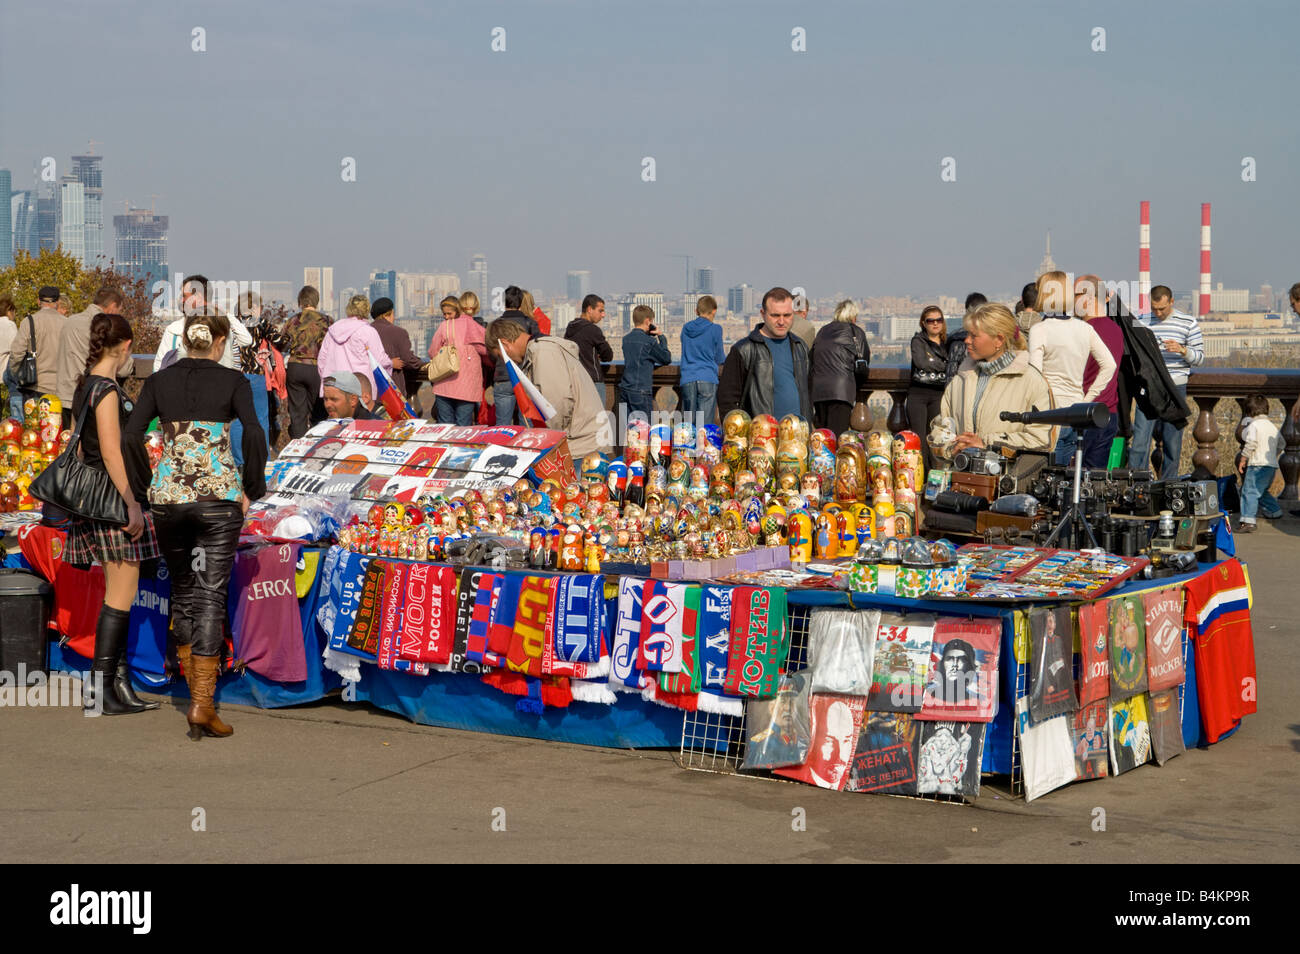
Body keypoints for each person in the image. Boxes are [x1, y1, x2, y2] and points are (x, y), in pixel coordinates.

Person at [124, 311, 267, 740]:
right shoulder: (233, 382)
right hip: (218, 498)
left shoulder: (158, 381)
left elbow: (132, 435)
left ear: (185, 340)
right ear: (219, 342)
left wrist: (146, 485)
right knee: (210, 595)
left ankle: (195, 697)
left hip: (169, 499)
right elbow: (257, 434)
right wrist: (253, 487)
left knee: (183, 590)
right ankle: (202, 704)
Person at [65, 313, 161, 716]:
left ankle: (117, 685)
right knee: (121, 597)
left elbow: (79, 444)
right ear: (124, 347)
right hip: (113, 500)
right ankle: (101, 689)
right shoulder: (105, 389)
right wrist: (131, 502)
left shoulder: (84, 384)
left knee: (115, 596)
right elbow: (108, 450)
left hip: (96, 501)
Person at [935, 302, 1055, 478]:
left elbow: (1043, 439)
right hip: (961, 484)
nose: (966, 340)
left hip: (1008, 487)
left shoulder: (1031, 381)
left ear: (998, 340)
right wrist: (953, 448)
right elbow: (940, 427)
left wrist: (987, 443)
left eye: (974, 335)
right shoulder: (961, 379)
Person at [485, 317, 612, 457]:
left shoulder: (543, 352)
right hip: (585, 442)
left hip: (580, 447)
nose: (503, 361)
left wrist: (548, 440)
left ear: (505, 344)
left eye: (499, 356)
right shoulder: (541, 350)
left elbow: (557, 404)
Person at [1027, 270, 1116, 466]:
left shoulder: (1040, 330)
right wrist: (1087, 399)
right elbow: (1109, 365)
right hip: (1076, 415)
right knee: (1066, 481)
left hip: (1049, 415)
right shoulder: (1085, 328)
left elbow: (1034, 374)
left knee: (1044, 479)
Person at [1129, 284, 1203, 478]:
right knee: (1139, 442)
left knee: (1172, 442)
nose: (1158, 313)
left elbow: (1200, 358)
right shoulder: (1141, 321)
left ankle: (1168, 487)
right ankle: (1137, 485)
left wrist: (1182, 350)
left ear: (1171, 301)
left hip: (1175, 387)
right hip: (1148, 387)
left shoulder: (1188, 322)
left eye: (1162, 308)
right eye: (1154, 309)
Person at [718, 287, 812, 421]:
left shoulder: (800, 347)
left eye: (787, 315)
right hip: (761, 436)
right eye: (775, 315)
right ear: (763, 314)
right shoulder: (744, 349)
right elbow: (727, 399)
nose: (781, 321)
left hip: (797, 435)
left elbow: (809, 391)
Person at [56, 288, 132, 430]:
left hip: (65, 394)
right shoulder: (102, 327)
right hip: (91, 398)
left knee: (68, 442)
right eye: (119, 310)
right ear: (112, 306)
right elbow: (123, 368)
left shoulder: (70, 322)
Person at [1075, 274, 1126, 468]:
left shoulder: (1083, 330)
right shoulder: (1115, 328)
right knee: (1094, 479)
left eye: (1075, 295)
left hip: (1084, 412)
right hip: (1109, 412)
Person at [152, 275, 253, 372]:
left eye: (184, 296)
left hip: (219, 385)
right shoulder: (174, 330)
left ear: (198, 296)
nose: (182, 300)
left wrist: (225, 315)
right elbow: (159, 365)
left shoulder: (222, 326)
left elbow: (246, 340)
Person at [810, 299, 870, 437]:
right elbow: (863, 362)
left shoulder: (823, 330)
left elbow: (813, 357)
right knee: (837, 437)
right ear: (853, 316)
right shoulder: (855, 332)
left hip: (819, 391)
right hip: (841, 391)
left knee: (823, 437)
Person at [317, 294, 392, 399]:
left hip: (334, 389)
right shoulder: (368, 332)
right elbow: (380, 360)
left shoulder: (332, 331)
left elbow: (322, 361)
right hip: (361, 390)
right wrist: (391, 365)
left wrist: (326, 382)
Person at [428, 295, 487, 425]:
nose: (446, 316)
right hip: (467, 385)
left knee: (445, 426)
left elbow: (432, 351)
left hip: (444, 383)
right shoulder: (475, 326)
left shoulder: (445, 326)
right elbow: (485, 349)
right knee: (463, 426)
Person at [282, 285, 331, 438]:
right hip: (317, 368)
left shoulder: (292, 321)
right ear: (316, 301)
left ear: (300, 302)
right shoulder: (327, 321)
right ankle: (316, 445)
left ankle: (298, 448)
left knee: (297, 414)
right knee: (318, 413)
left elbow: (282, 343)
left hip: (295, 367)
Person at [492, 286, 544, 426]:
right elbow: (537, 349)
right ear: (521, 303)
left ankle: (501, 448)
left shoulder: (496, 325)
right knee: (526, 424)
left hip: (502, 377)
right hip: (525, 379)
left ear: (504, 303)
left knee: (502, 425)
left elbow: (491, 352)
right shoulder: (530, 323)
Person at [8, 285, 66, 409]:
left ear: (38, 301)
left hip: (34, 386)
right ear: (58, 302)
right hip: (60, 388)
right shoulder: (67, 323)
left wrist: (15, 373)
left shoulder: (29, 322)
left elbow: (16, 353)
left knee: (32, 427)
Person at [906, 305, 948, 469]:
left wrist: (934, 363)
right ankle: (919, 476)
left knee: (936, 437)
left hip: (938, 394)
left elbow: (949, 363)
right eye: (931, 321)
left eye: (939, 320)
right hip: (918, 394)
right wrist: (943, 365)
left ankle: (934, 476)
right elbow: (921, 363)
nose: (935, 324)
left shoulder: (947, 342)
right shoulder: (918, 341)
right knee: (919, 438)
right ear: (924, 323)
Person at [679, 294, 726, 427]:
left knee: (688, 425)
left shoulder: (686, 328)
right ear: (714, 311)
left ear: (696, 311)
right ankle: (701, 448)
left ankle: (687, 448)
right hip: (707, 377)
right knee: (703, 427)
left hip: (688, 378)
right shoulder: (716, 329)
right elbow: (720, 357)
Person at [1236, 394, 1281, 533]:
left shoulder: (1254, 425)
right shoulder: (1273, 426)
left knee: (1248, 491)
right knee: (1260, 491)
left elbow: (1251, 443)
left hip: (1257, 464)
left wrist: (1243, 459)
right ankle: (1275, 511)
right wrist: (1274, 454)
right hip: (1271, 465)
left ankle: (1248, 520)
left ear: (1249, 411)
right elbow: (1282, 443)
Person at [619, 305, 672, 422]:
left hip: (625, 389)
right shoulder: (649, 342)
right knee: (643, 429)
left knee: (629, 429)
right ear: (648, 321)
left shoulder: (626, 339)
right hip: (641, 390)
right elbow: (666, 358)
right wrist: (661, 337)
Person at [370, 296, 424, 398]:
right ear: (389, 313)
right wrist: (421, 363)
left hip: (370, 390)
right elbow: (408, 360)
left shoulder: (366, 330)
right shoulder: (398, 332)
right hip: (391, 391)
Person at [564, 294, 613, 384]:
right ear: (589, 309)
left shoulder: (570, 327)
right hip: (592, 380)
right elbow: (608, 355)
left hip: (574, 381)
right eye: (600, 311)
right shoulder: (593, 330)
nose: (603, 315)